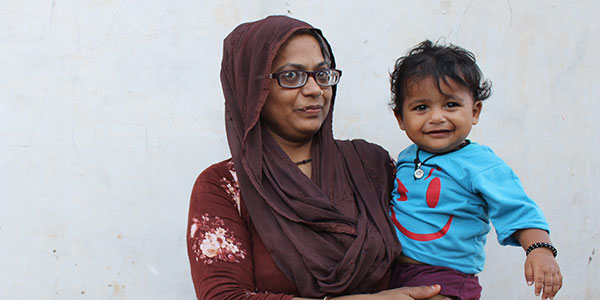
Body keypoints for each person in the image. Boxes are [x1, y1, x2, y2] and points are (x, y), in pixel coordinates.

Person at [187, 16, 446, 300]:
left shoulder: (370, 165)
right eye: (291, 76)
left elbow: (433, 248)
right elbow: (223, 297)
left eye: (322, 75)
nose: (315, 90)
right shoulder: (224, 187)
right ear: (252, 89)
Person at [387, 40, 563, 300]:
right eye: (421, 107)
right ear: (401, 118)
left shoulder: (481, 164)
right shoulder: (406, 157)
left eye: (450, 105)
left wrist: (540, 250)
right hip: (390, 272)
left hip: (445, 279)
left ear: (475, 110)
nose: (436, 117)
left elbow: (518, 210)